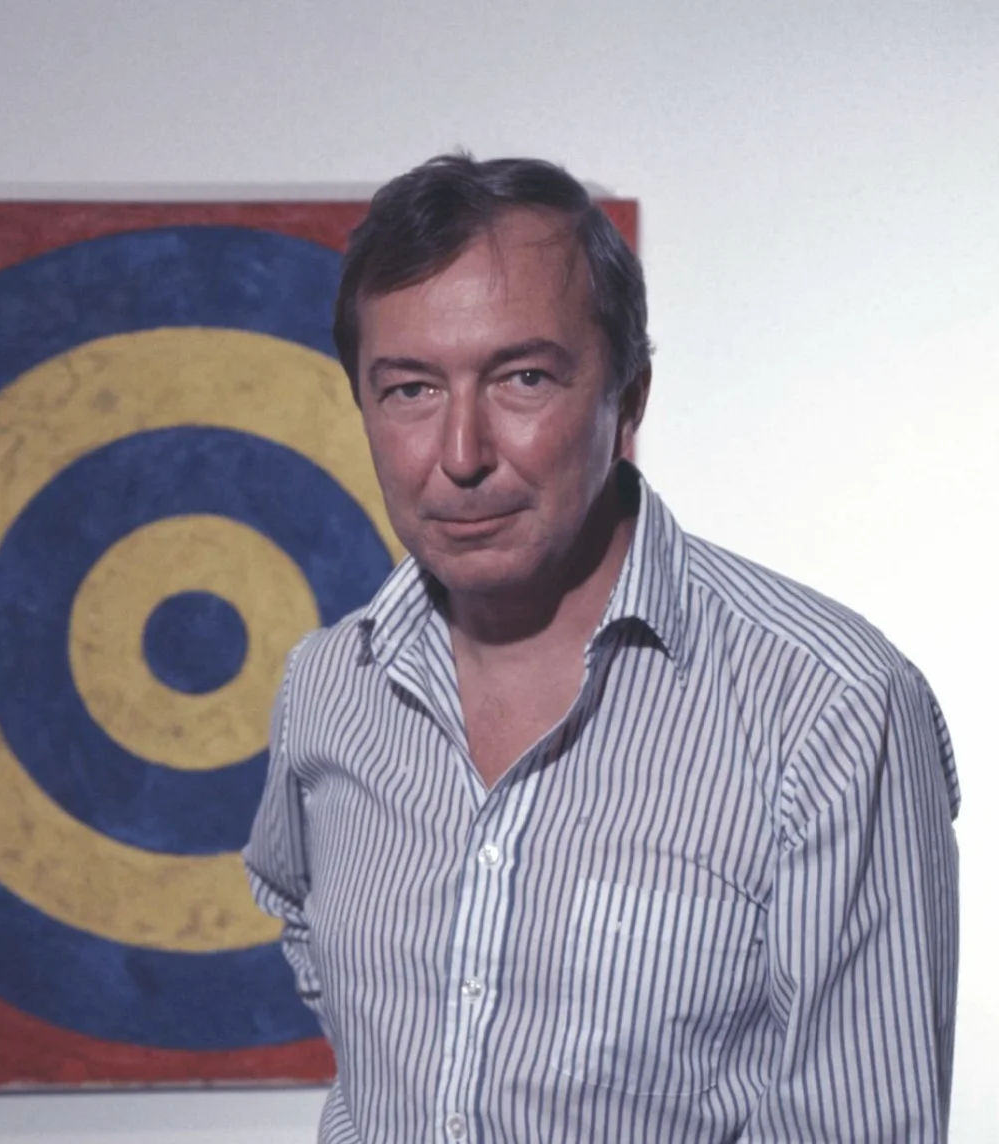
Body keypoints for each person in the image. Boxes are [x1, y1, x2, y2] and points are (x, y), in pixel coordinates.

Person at [243, 153, 960, 1143]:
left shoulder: (828, 707)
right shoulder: (329, 687)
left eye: (522, 378)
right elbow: (316, 943)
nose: (459, 454)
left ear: (627, 401)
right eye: (408, 389)